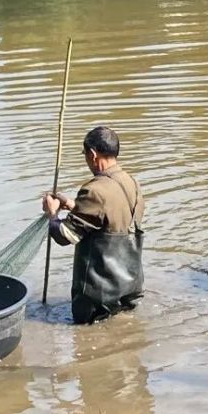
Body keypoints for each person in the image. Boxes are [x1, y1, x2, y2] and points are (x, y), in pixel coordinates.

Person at [41, 126, 144, 324]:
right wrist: (74, 206)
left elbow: (64, 236)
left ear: (93, 154)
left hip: (98, 297)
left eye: (86, 156)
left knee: (87, 337)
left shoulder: (94, 190)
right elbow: (110, 222)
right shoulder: (133, 183)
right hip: (130, 287)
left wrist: (51, 213)